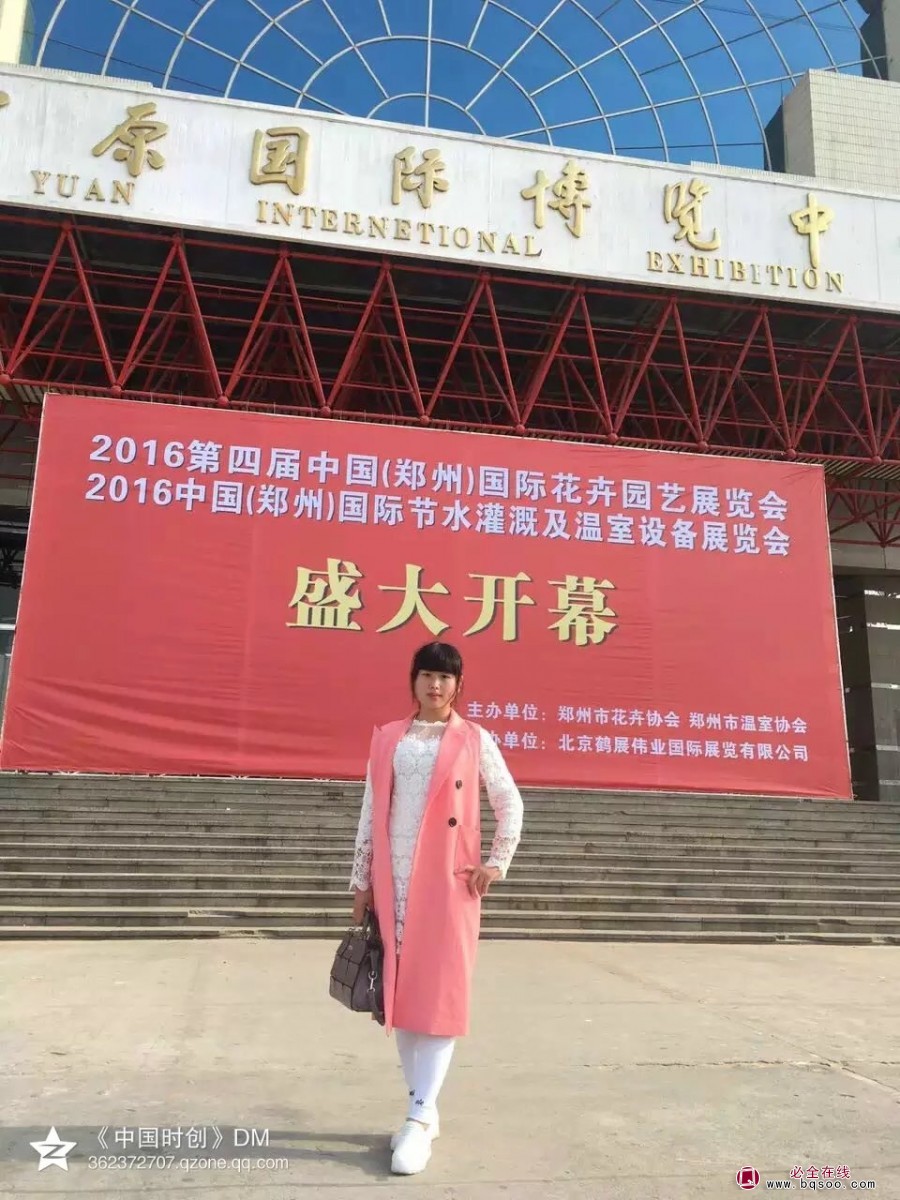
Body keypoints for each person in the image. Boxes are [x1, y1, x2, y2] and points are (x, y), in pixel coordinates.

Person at [349, 640, 524, 1176]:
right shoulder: (388, 737)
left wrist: (495, 863)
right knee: (401, 997)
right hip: (395, 881)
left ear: (458, 685)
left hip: (448, 884)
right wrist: (361, 880)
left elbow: (509, 801)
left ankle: (420, 1114)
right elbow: (371, 809)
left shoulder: (474, 739)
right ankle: (422, 1106)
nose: (435, 685)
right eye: (427, 674)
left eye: (445, 677)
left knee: (441, 997)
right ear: (414, 680)